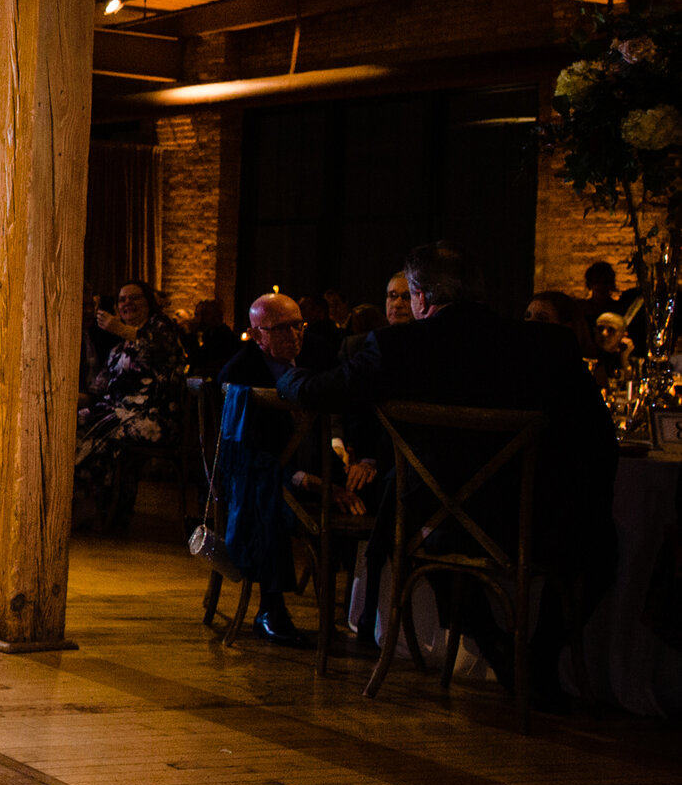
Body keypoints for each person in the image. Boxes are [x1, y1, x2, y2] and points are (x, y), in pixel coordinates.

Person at [278, 242, 617, 712]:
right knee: (604, 547)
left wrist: (285, 373)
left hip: (442, 525)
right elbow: (599, 440)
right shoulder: (547, 345)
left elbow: (318, 392)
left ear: (418, 296)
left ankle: (500, 649)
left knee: (429, 533)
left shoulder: (396, 346)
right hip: (538, 523)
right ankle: (539, 655)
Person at [211, 293, 354, 647]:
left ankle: (364, 615)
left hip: (312, 469)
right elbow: (245, 453)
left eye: (298, 325)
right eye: (282, 328)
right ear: (257, 334)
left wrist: (334, 477)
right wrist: (305, 480)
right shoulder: (240, 371)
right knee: (266, 495)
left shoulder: (316, 359)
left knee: (370, 493)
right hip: (258, 476)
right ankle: (270, 608)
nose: (295, 335)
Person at [74, 279, 187, 527]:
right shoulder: (118, 349)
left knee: (95, 430)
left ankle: (100, 513)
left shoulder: (161, 329)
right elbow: (97, 390)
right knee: (76, 421)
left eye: (134, 297)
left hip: (154, 415)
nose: (127, 303)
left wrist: (117, 327)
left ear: (149, 302)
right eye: (122, 299)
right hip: (116, 412)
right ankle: (91, 509)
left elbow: (158, 345)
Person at [184, 296, 239, 378]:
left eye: (205, 314)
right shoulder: (209, 334)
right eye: (198, 315)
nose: (199, 319)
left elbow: (199, 360)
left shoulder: (222, 337)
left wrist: (191, 334)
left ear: (216, 316)